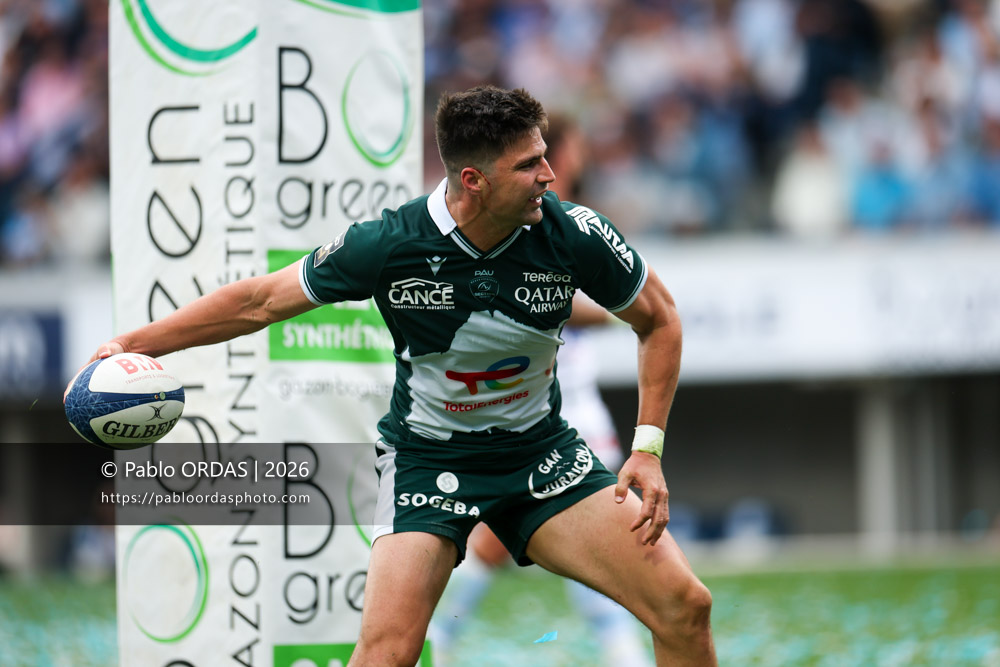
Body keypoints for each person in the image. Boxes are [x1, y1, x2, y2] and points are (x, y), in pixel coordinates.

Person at [75, 86, 716, 666]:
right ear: (474, 179)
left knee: (685, 608)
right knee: (386, 655)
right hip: (426, 461)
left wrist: (649, 447)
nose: (550, 175)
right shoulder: (390, 243)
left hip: (541, 457)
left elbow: (659, 320)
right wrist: (133, 341)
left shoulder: (573, 233)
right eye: (529, 164)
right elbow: (258, 302)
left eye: (545, 156)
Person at [428, 115, 656, 666]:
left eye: (557, 154)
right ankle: (437, 636)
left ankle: (440, 637)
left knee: (580, 546)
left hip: (574, 405)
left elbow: (647, 315)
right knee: (497, 542)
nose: (556, 167)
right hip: (533, 411)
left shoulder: (576, 225)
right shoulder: (511, 223)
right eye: (540, 158)